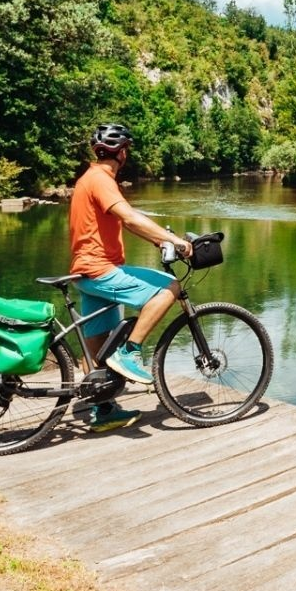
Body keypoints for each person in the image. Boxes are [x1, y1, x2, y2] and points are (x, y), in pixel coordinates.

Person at [69, 122, 191, 431]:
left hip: (86, 272)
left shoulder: (90, 177)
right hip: (101, 270)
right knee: (169, 288)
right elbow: (129, 217)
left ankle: (102, 410)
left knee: (99, 352)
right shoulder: (101, 179)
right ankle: (131, 352)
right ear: (122, 153)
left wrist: (158, 239)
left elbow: (122, 223)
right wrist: (173, 240)